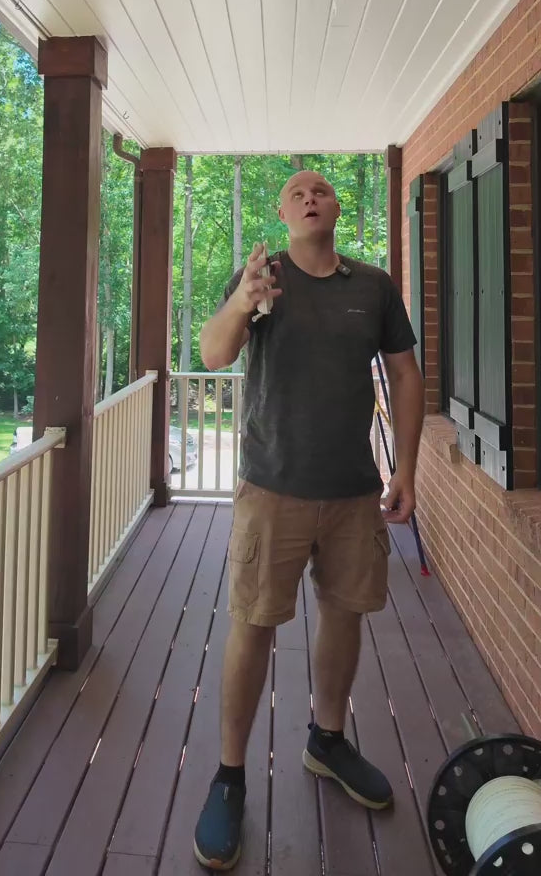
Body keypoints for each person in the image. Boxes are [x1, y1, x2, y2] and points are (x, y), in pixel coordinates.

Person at [193, 171, 425, 871]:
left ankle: (327, 741)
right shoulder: (262, 278)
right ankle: (230, 775)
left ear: (337, 207)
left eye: (320, 190)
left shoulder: (373, 286)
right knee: (253, 624)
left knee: (345, 615)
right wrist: (243, 301)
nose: (309, 197)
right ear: (281, 212)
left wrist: (407, 470)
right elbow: (213, 353)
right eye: (296, 193)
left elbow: (405, 374)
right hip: (272, 490)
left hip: (354, 492)